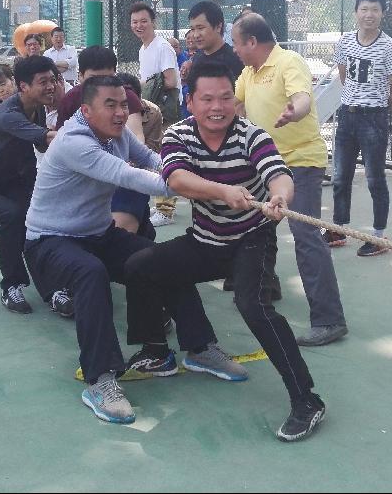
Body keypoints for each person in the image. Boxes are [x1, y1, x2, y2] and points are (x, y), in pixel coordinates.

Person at [24, 75, 244, 424]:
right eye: (110, 105)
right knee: (90, 273)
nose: (120, 113)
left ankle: (199, 348)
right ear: (86, 110)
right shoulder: (73, 143)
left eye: (123, 105)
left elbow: (156, 161)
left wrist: (198, 172)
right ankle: (100, 379)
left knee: (165, 261)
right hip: (50, 240)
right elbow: (129, 176)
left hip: (99, 234)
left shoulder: (116, 134)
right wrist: (207, 188)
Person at [126, 62, 327, 442]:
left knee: (253, 306)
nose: (217, 107)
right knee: (142, 266)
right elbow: (176, 179)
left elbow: (278, 173)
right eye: (207, 99)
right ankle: (160, 350)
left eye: (225, 98)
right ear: (190, 102)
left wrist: (279, 197)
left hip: (252, 239)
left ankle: (307, 399)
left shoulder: (251, 135)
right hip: (206, 239)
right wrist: (223, 192)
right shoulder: (178, 135)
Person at [232, 12, 348, 346]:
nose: (235, 50)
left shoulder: (288, 62)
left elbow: (302, 98)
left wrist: (294, 111)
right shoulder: (249, 72)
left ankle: (329, 319)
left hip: (300, 162)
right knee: (253, 226)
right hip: (265, 165)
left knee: (305, 233)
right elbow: (234, 104)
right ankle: (263, 289)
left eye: (237, 44)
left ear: (252, 42)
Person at [0, 55, 62, 315]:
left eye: (53, 80)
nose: (51, 86)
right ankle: (11, 287)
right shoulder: (7, 114)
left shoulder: (37, 107)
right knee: (14, 217)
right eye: (43, 82)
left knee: (41, 221)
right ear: (23, 86)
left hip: (13, 182)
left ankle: (52, 290)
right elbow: (48, 139)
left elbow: (42, 146)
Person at [325, 0, 392, 255]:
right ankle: (338, 229)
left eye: (374, 9)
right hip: (347, 117)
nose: (369, 14)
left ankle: (378, 236)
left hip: (373, 120)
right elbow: (344, 76)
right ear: (356, 12)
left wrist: (378, 109)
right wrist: (355, 101)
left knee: (374, 179)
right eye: (364, 9)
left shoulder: (389, 47)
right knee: (340, 176)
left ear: (382, 13)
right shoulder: (345, 42)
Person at [56, 46, 152, 237]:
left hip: (121, 177)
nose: (101, 86)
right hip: (85, 181)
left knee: (133, 188)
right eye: (93, 79)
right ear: (80, 76)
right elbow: (61, 142)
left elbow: (136, 136)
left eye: (107, 78)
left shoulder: (125, 95)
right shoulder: (71, 100)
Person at [131, 1, 182, 126]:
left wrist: (140, 84)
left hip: (166, 112)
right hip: (151, 109)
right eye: (134, 22)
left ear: (153, 23)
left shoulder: (162, 47)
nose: (139, 25)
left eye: (143, 21)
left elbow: (171, 81)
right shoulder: (142, 49)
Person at [188, 0, 245, 80]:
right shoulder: (197, 58)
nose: (196, 35)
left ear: (218, 27)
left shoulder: (236, 60)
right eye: (192, 29)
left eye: (200, 28)